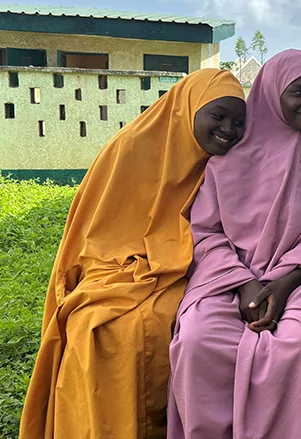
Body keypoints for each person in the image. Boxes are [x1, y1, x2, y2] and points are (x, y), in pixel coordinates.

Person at [19, 69, 246, 439]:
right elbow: (96, 232)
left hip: (188, 265)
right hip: (117, 263)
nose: (229, 129)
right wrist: (140, 261)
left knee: (163, 321)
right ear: (187, 109)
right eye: (217, 116)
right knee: (97, 326)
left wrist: (173, 254)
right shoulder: (132, 146)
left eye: (239, 122)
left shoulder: (230, 161)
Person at [166, 49, 301, 439]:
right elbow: (206, 232)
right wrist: (245, 283)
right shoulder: (227, 160)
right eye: (299, 92)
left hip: (300, 278)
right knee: (196, 338)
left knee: (295, 341)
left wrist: (285, 282)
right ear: (272, 94)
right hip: (226, 278)